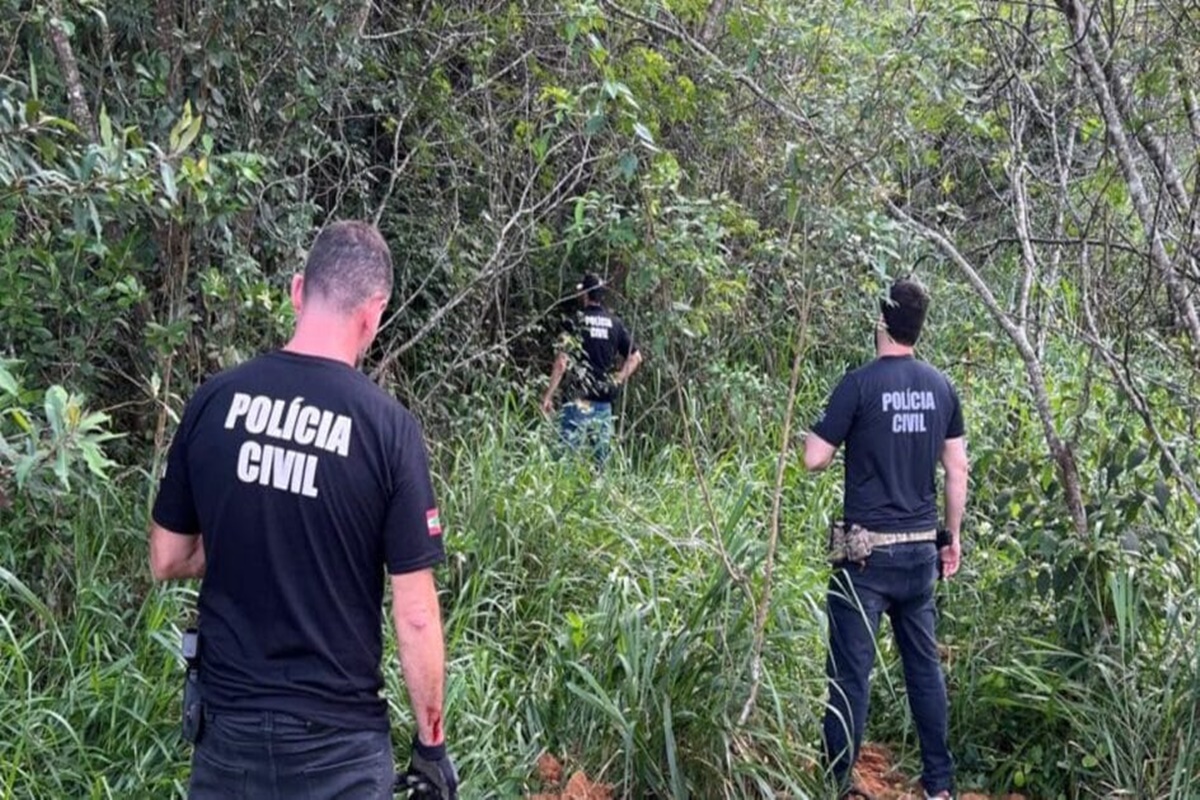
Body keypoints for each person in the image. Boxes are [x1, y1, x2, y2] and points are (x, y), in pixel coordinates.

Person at [148, 221, 458, 799]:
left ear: (297, 291)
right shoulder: (389, 431)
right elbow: (416, 614)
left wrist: (249, 527)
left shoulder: (215, 399)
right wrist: (431, 746)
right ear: (374, 314)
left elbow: (168, 557)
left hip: (228, 738)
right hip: (338, 749)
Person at [803, 279, 968, 800]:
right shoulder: (942, 387)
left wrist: (818, 425)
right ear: (919, 327)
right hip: (921, 551)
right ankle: (939, 785)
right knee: (924, 670)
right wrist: (952, 538)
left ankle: (838, 784)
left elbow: (814, 458)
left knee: (851, 673)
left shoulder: (858, 385)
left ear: (881, 319)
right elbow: (957, 468)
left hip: (865, 555)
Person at [540, 273, 642, 463]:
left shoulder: (575, 322)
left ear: (585, 295)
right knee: (600, 464)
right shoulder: (615, 324)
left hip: (578, 401)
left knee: (565, 461)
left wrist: (548, 395)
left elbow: (562, 362)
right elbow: (636, 357)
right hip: (603, 403)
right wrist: (618, 379)